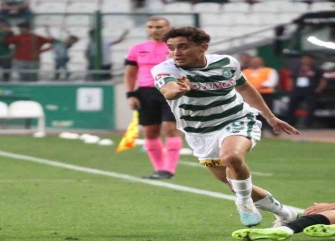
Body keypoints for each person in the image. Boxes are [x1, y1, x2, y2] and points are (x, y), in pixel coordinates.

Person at [151, 26, 301, 226]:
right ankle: (286, 214)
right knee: (234, 184)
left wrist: (270, 117)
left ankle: (244, 203)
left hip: (236, 119)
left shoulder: (227, 63)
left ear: (203, 47)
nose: (176, 53)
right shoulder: (165, 69)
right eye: (171, 48)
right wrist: (178, 91)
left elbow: (244, 87)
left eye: (183, 47)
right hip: (199, 133)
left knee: (231, 157)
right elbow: (168, 90)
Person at [124, 17, 182, 180]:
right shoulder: (137, 49)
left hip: (170, 90)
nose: (154, 30)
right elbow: (130, 73)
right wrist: (130, 94)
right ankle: (159, 169)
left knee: (170, 127)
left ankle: (169, 170)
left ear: (168, 28)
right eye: (150, 27)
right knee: (150, 131)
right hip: (146, 92)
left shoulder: (176, 48)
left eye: (158, 27)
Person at [285, 54, 327, 128]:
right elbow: (291, 78)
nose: (306, 60)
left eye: (308, 59)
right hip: (297, 89)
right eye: (304, 59)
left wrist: (319, 89)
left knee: (311, 107)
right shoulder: (297, 68)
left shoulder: (317, 69)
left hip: (310, 90)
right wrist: (290, 87)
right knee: (292, 106)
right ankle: (290, 123)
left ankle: (308, 124)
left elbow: (323, 80)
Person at [242, 56, 279, 134]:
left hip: (266, 94)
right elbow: (243, 82)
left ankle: (273, 128)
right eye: (254, 61)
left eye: (257, 61)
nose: (255, 62)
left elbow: (272, 82)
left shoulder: (269, 70)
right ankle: (256, 129)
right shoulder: (245, 72)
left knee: (268, 111)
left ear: (262, 62)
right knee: (252, 112)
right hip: (250, 95)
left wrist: (259, 87)